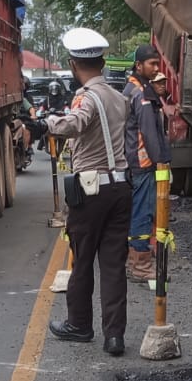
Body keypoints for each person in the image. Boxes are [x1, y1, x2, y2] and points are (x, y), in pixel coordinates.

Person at [23, 28, 133, 357]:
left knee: (83, 260)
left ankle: (80, 325)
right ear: (101, 62)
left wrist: (45, 125)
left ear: (73, 64)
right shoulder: (118, 95)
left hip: (92, 190)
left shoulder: (87, 96)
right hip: (120, 187)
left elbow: (78, 122)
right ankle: (115, 337)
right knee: (113, 265)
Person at [122, 45, 172, 282]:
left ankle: (136, 259)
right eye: (152, 64)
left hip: (136, 161)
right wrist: (160, 161)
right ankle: (140, 266)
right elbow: (149, 133)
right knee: (143, 212)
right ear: (139, 65)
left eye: (157, 64)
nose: (156, 68)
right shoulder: (139, 93)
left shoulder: (136, 88)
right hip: (143, 163)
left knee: (140, 211)